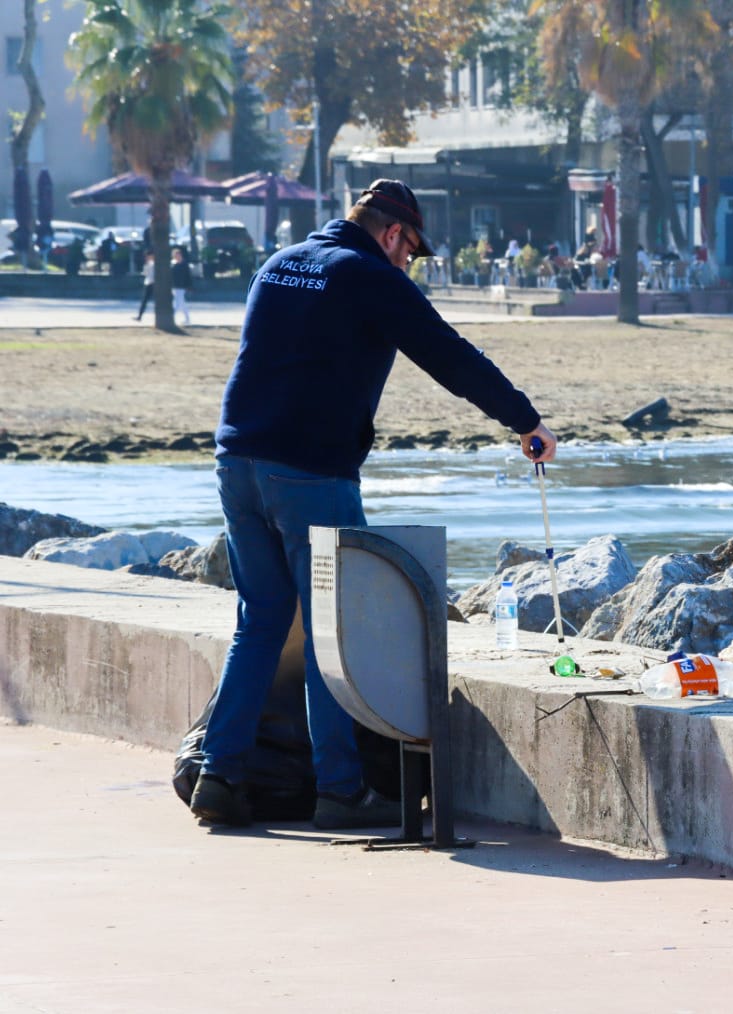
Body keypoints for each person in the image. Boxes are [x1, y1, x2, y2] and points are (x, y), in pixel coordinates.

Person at [189, 178, 557, 830]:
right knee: (335, 629)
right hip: (309, 473)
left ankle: (217, 776)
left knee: (261, 620)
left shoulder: (279, 264)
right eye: (410, 253)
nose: (407, 264)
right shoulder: (369, 275)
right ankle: (341, 789)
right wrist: (524, 419)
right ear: (395, 235)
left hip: (235, 463)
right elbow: (449, 355)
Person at [171, 247, 192, 326]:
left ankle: (171, 318)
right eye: (176, 255)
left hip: (181, 286)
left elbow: (188, 276)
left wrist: (189, 286)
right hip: (174, 286)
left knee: (177, 304)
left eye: (178, 255)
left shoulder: (184, 264)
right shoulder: (173, 264)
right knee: (182, 304)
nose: (177, 256)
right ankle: (187, 319)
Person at [135, 253, 155, 320]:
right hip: (149, 283)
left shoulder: (152, 264)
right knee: (144, 301)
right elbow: (145, 273)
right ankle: (140, 315)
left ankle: (140, 315)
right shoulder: (148, 264)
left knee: (145, 301)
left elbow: (146, 273)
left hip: (152, 283)